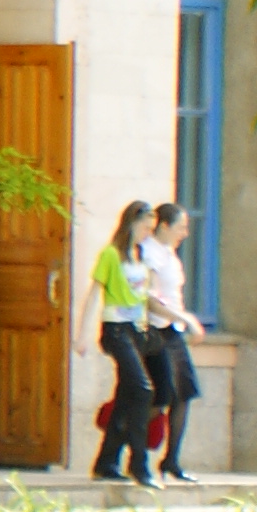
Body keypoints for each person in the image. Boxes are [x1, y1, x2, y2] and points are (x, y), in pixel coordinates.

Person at [87, 200, 158, 486]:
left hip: (136, 329)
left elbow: (144, 297)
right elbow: (94, 293)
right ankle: (139, 465)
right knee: (143, 389)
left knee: (127, 396)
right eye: (144, 227)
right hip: (116, 329)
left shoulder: (140, 256)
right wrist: (83, 335)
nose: (147, 233)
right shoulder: (110, 254)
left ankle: (106, 462)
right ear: (131, 223)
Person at [141, 202, 206, 484]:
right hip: (157, 331)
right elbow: (151, 300)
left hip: (174, 330)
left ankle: (171, 461)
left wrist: (183, 320)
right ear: (164, 226)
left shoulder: (170, 255)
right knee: (161, 395)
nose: (185, 233)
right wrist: (186, 318)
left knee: (184, 393)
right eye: (181, 227)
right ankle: (125, 446)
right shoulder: (149, 253)